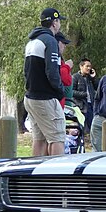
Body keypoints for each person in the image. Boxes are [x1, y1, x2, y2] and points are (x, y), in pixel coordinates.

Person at [23, 8, 67, 157]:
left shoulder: (33, 41)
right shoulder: (50, 41)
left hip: (30, 97)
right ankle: (56, 176)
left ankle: (34, 175)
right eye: (59, 20)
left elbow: (26, 72)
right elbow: (52, 72)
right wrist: (60, 91)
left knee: (39, 139)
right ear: (54, 23)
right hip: (45, 98)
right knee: (57, 138)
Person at [73, 57, 97, 134]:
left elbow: (97, 87)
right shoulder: (75, 77)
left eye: (90, 66)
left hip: (91, 105)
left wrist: (93, 78)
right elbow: (72, 92)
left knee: (91, 126)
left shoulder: (90, 78)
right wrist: (84, 94)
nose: (89, 68)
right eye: (87, 66)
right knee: (81, 126)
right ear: (81, 66)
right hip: (80, 105)